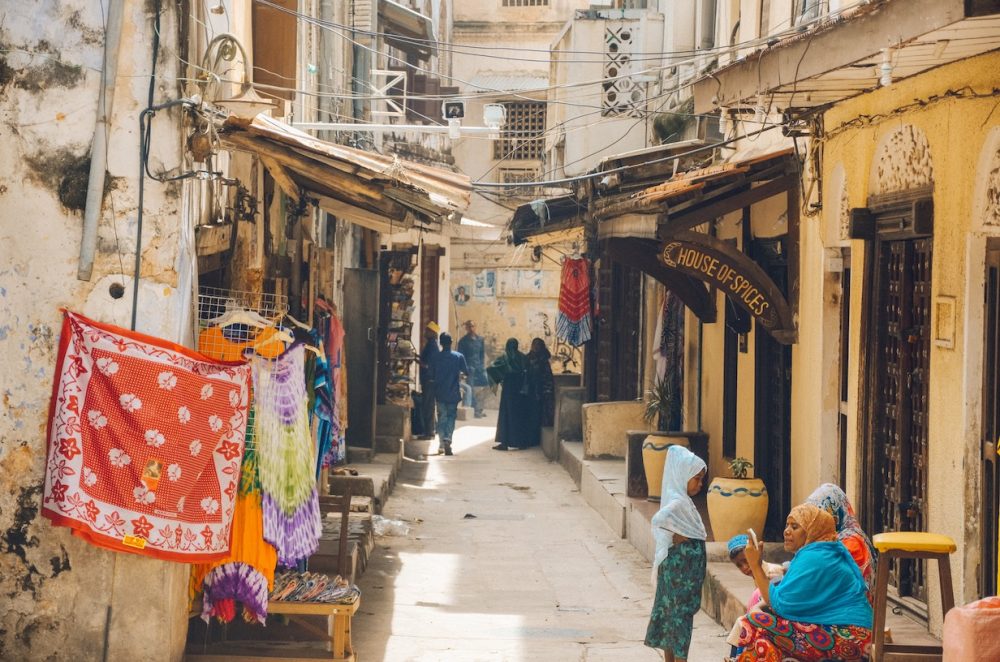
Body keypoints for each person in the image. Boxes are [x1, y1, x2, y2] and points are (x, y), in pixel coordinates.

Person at [734, 503, 873, 661]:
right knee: (762, 643)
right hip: (849, 633)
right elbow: (786, 599)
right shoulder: (821, 551)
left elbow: (780, 606)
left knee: (754, 621)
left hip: (851, 637)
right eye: (787, 525)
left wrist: (755, 565)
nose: (787, 531)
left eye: (795, 527)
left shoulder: (814, 556)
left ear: (812, 530)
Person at [645, 445, 707, 662]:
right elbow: (658, 522)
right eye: (696, 479)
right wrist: (672, 538)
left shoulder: (682, 501)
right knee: (679, 626)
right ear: (682, 475)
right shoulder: (678, 502)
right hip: (678, 581)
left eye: (701, 480)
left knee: (671, 624)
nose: (700, 484)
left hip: (679, 580)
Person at [806, 483, 878, 598]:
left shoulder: (851, 543)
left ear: (835, 517)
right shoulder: (836, 538)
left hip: (849, 610)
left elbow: (821, 577)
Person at [487, 338, 531, 451]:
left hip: (509, 389)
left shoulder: (504, 357)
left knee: (506, 415)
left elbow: (491, 368)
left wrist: (500, 378)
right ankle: (521, 442)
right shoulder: (523, 357)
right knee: (519, 415)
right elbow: (529, 373)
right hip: (520, 390)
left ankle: (504, 443)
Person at [429, 333, 468, 456]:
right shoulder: (459, 356)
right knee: (451, 416)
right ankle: (448, 439)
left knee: (442, 417)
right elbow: (466, 372)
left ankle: (441, 444)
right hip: (453, 392)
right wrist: (460, 375)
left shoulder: (435, 357)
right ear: (451, 342)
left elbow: (430, 375)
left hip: (439, 392)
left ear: (440, 343)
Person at [457, 320, 487, 418]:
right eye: (469, 327)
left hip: (479, 368)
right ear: (466, 328)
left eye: (473, 326)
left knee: (485, 387)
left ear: (475, 327)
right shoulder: (463, 341)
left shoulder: (480, 340)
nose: (471, 328)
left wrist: (482, 366)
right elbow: (461, 357)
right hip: (469, 369)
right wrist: (463, 370)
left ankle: (480, 408)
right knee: (472, 389)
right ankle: (476, 411)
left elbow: (482, 354)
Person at [418, 322, 440, 439]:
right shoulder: (431, 345)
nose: (424, 333)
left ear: (432, 333)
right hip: (429, 379)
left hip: (429, 380)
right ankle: (430, 430)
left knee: (428, 406)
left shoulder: (432, 346)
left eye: (427, 331)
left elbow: (428, 365)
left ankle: (429, 432)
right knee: (429, 406)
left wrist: (419, 362)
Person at [527, 337, 555, 428]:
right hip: (531, 390)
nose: (535, 347)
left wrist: (547, 390)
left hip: (542, 390)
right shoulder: (528, 358)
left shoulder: (543, 360)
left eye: (538, 345)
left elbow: (548, 377)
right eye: (534, 345)